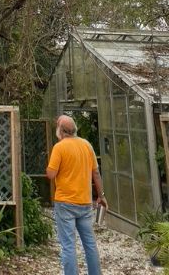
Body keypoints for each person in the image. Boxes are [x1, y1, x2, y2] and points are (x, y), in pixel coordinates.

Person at [46, 115, 108, 275]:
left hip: (65, 203)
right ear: (74, 129)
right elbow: (96, 173)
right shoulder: (87, 145)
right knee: (90, 244)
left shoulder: (59, 148)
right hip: (85, 202)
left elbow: (51, 174)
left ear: (60, 130)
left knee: (68, 246)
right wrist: (101, 195)